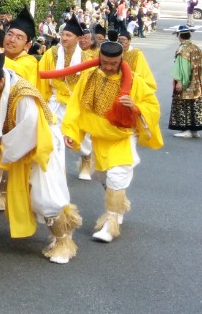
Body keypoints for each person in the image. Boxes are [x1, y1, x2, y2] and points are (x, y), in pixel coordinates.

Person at [0, 54, 81, 263]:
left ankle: (64, 243)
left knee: (46, 198)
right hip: (18, 145)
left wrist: (1, 140)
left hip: (42, 146)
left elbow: (30, 131)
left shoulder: (23, 95)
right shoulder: (0, 85)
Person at [60, 41, 163, 243]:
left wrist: (135, 106)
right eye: (105, 62)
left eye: (113, 63)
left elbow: (153, 106)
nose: (108, 67)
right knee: (101, 176)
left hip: (122, 138)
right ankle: (118, 202)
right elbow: (75, 106)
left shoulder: (134, 81)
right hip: (98, 138)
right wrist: (71, 131)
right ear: (99, 59)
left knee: (116, 176)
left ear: (121, 60)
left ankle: (111, 223)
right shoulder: (88, 77)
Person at [38, 16, 94, 180]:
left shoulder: (86, 59)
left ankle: (86, 159)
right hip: (54, 102)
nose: (64, 38)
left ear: (78, 38)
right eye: (62, 34)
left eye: (68, 35)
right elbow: (41, 78)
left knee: (83, 141)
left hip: (75, 104)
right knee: (52, 138)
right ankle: (56, 172)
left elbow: (89, 86)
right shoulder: (51, 53)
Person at [170, 25, 202, 138]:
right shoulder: (196, 48)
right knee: (194, 105)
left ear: (180, 36)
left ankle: (186, 130)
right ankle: (195, 131)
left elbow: (182, 68)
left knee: (184, 105)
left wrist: (179, 82)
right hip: (197, 83)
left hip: (186, 83)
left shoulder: (183, 50)